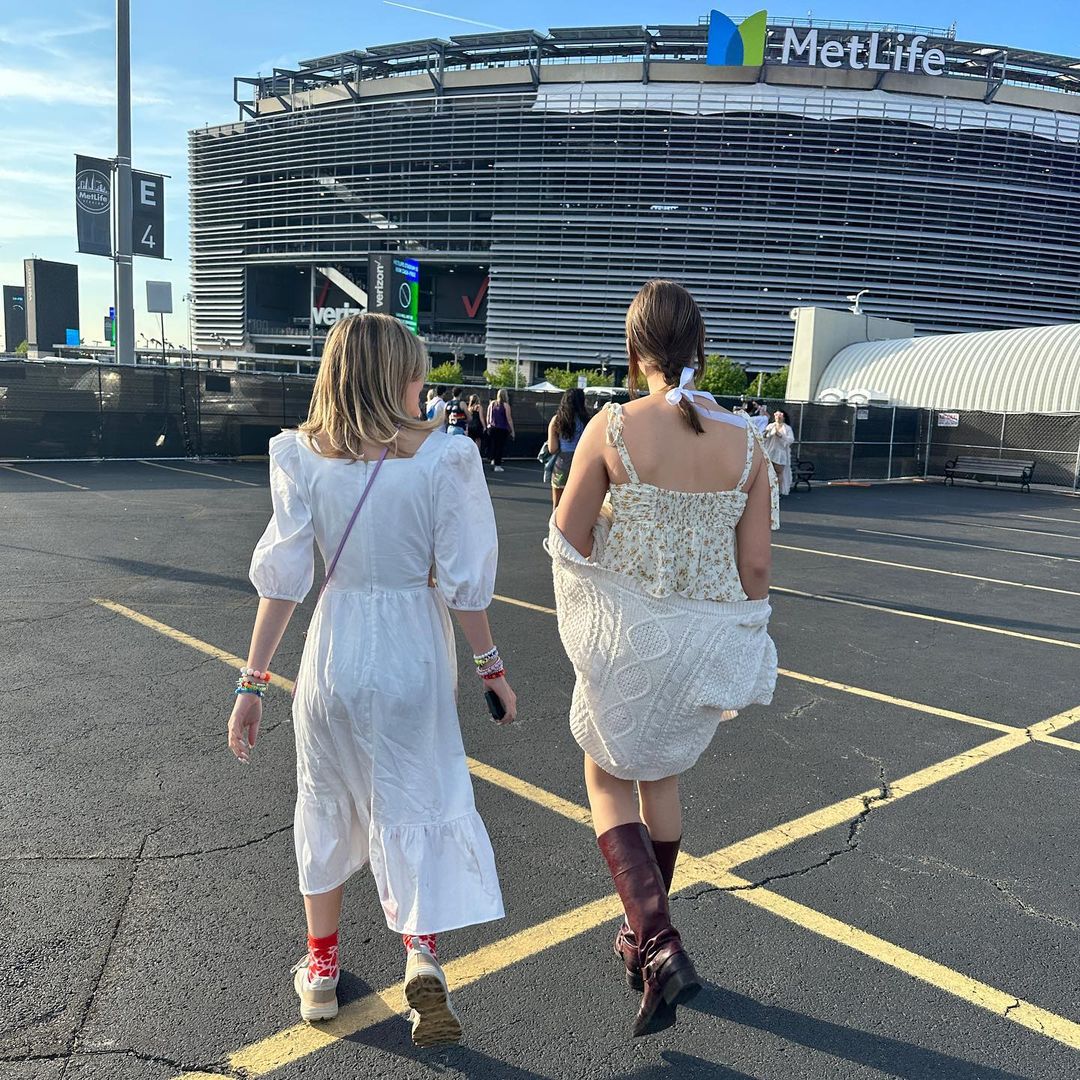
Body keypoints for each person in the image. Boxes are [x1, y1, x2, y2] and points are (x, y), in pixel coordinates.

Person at [231, 313, 517, 1047]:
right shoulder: (444, 458)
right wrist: (491, 669)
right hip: (412, 653)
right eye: (416, 370)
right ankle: (421, 955)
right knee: (415, 796)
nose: (423, 382)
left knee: (325, 801)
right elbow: (465, 586)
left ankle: (321, 972)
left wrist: (252, 684)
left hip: (333, 652)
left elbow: (283, 582)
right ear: (395, 377)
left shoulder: (301, 456)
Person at [550, 280, 778, 1038]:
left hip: (631, 632)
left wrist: (617, 525)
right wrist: (742, 632)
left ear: (635, 347)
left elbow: (569, 535)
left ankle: (656, 938)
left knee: (605, 774)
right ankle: (643, 935)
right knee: (662, 776)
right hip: (701, 638)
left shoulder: (613, 427)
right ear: (700, 348)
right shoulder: (748, 444)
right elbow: (756, 568)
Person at [547, 387, 589, 509]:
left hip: (563, 463)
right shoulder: (587, 420)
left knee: (557, 505)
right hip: (582, 462)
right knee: (579, 505)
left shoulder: (557, 420)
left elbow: (552, 448)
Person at [763, 409, 796, 496]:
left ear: (783, 417)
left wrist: (780, 435)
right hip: (770, 451)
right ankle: (768, 491)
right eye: (776, 415)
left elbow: (790, 440)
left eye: (780, 415)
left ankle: (777, 492)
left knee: (779, 472)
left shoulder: (787, 428)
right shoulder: (771, 426)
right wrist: (767, 433)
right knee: (768, 472)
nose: (778, 417)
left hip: (780, 454)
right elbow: (764, 436)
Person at [486, 389, 515, 472]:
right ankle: (497, 465)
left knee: (493, 445)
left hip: (492, 427)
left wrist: (488, 425)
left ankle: (493, 460)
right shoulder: (506, 405)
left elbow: (488, 416)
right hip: (502, 428)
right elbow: (509, 419)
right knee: (500, 447)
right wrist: (512, 430)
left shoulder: (492, 403)